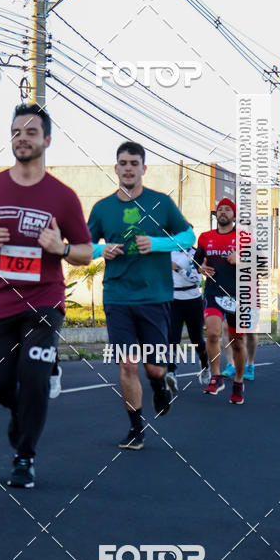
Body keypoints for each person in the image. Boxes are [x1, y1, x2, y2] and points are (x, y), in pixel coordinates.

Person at [0, 103, 92, 488]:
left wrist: (60, 248)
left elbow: (85, 251)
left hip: (44, 303)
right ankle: (25, 413)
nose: (22, 138)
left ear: (47, 140)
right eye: (17, 132)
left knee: (33, 379)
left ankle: (24, 457)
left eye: (31, 132)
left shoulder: (63, 197)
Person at [88, 141, 195, 449]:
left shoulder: (161, 203)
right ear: (116, 168)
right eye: (123, 163)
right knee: (127, 364)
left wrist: (157, 243)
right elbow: (83, 245)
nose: (128, 168)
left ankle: (159, 384)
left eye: (134, 163)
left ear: (143, 168)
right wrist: (101, 249)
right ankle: (137, 429)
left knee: (155, 367)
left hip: (155, 296)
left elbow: (189, 235)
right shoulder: (103, 208)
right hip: (118, 296)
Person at [194, 198, 247, 404]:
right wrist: (200, 268)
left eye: (227, 209)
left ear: (234, 215)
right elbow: (196, 260)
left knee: (237, 342)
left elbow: (260, 263)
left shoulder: (244, 237)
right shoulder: (205, 237)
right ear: (216, 214)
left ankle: (238, 382)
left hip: (238, 295)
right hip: (213, 293)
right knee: (213, 333)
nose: (223, 212)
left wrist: (241, 260)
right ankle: (216, 377)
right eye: (220, 209)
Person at [168, 242, 210, 388]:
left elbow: (196, 278)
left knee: (196, 338)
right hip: (173, 299)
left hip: (192, 299)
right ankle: (171, 372)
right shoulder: (167, 252)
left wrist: (178, 268)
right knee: (172, 338)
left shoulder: (194, 253)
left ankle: (205, 365)